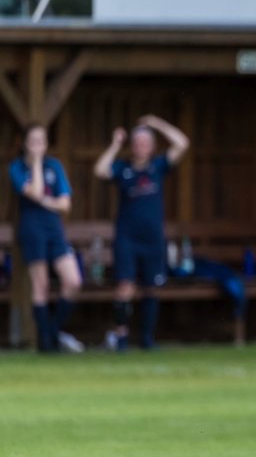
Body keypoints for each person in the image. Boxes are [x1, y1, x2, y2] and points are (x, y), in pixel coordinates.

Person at [93, 115, 189, 351]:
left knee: (151, 287)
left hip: (153, 237)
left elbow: (182, 143)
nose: (141, 147)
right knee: (124, 286)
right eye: (137, 143)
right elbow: (100, 170)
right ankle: (122, 336)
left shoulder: (158, 166)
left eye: (146, 143)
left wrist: (156, 124)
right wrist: (116, 144)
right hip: (127, 237)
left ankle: (147, 338)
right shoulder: (123, 169)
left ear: (152, 146)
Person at [8, 125, 82, 353]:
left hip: (54, 228)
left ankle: (50, 331)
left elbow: (65, 204)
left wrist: (48, 203)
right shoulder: (17, 168)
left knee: (73, 281)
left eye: (42, 140)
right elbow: (36, 191)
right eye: (33, 140)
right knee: (41, 286)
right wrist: (37, 161)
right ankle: (47, 345)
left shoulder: (55, 166)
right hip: (32, 228)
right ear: (25, 144)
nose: (38, 144)